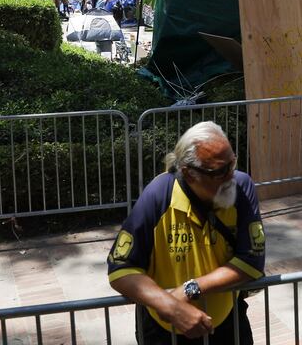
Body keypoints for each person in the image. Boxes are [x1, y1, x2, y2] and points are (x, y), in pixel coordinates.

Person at [107, 121, 265, 344]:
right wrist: (171, 307)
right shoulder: (158, 195)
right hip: (163, 331)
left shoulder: (241, 186)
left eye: (232, 163)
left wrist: (190, 289)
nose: (231, 176)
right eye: (219, 171)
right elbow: (121, 269)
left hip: (227, 324)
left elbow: (252, 260)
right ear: (189, 174)